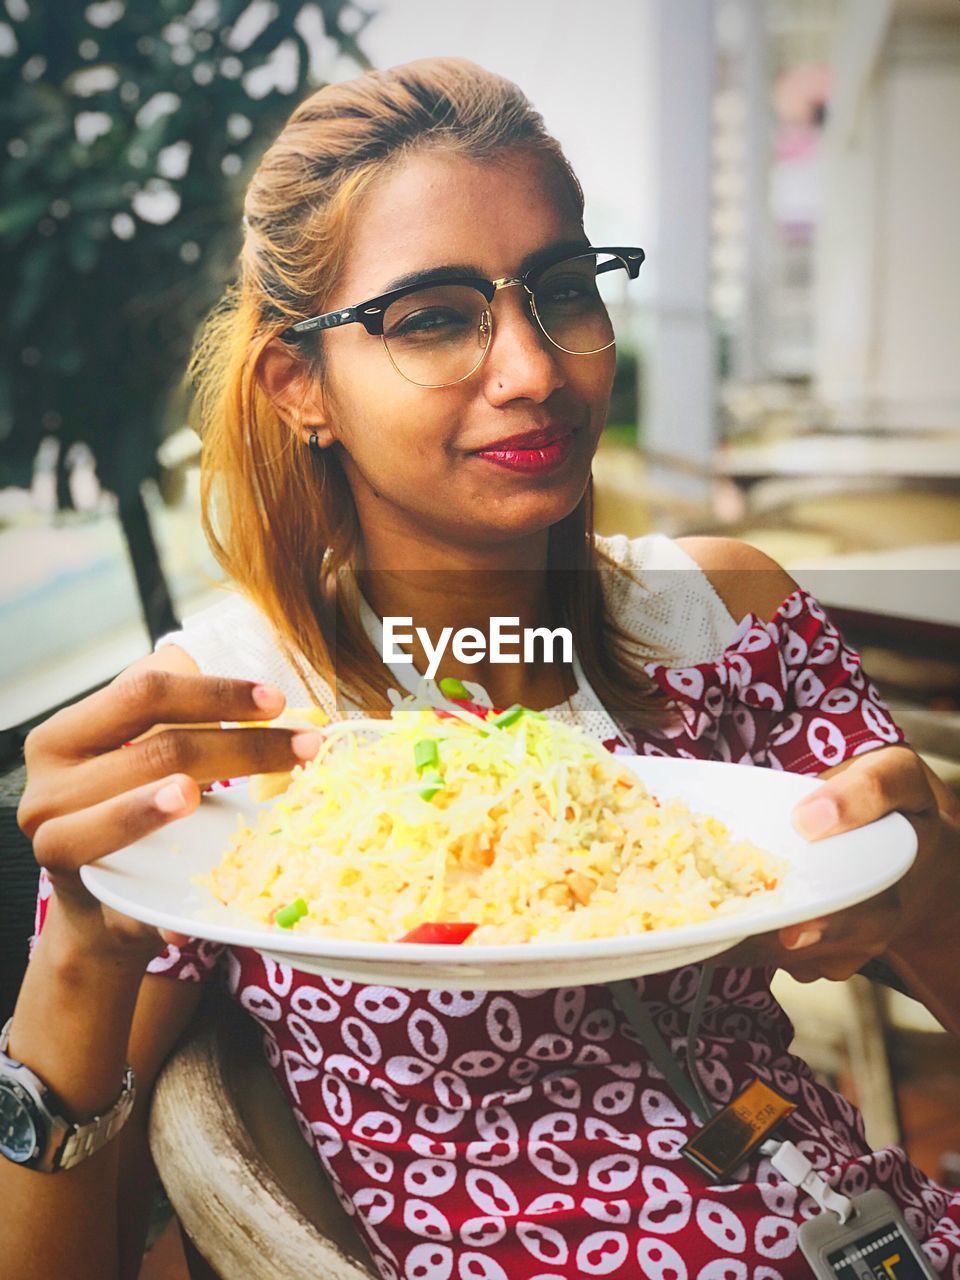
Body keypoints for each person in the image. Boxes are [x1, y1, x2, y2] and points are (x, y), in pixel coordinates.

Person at [3, 58, 959, 1280]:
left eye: (563, 290)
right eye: (435, 317)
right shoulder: (230, 723)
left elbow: (921, 904)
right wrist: (80, 950)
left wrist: (928, 891)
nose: (534, 368)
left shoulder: (728, 612)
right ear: (302, 386)